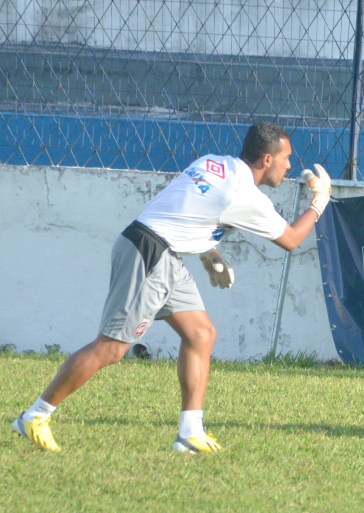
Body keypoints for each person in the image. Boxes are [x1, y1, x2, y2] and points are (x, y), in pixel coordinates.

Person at [12, 121, 331, 454]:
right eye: (286, 158)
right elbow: (291, 239)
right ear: (267, 159)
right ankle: (35, 415)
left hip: (158, 249)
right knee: (111, 348)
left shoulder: (213, 163)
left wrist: (209, 252)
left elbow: (184, 208)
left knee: (201, 334)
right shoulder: (246, 195)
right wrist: (319, 202)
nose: (289, 165)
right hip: (150, 254)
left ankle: (190, 433)